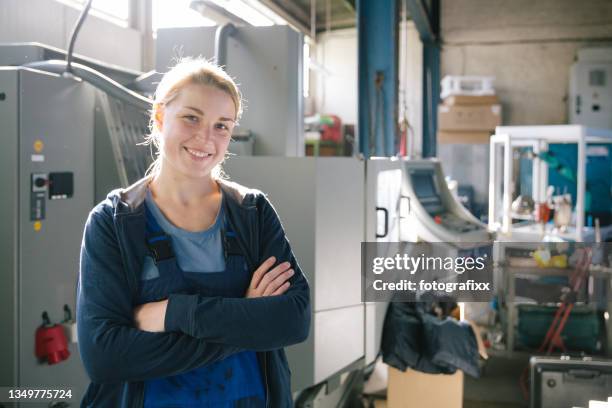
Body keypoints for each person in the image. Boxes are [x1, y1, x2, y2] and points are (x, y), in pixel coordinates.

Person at [76, 58, 311, 408]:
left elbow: (293, 320)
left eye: (222, 126)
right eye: (191, 118)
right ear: (159, 117)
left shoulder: (252, 213)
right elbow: (106, 357)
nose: (205, 138)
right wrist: (246, 318)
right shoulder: (114, 222)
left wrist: (175, 313)